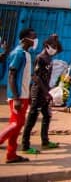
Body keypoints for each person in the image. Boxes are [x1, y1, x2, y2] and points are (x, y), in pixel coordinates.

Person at [21, 34, 63, 155]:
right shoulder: (41, 58)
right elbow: (36, 77)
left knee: (47, 115)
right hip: (38, 91)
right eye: (53, 46)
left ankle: (45, 141)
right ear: (46, 46)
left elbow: (60, 49)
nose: (55, 49)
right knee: (32, 119)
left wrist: (56, 39)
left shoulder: (49, 56)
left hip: (45, 91)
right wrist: (46, 93)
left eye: (55, 46)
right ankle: (25, 146)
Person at [0, 28, 37, 164]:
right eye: (34, 37)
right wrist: (16, 97)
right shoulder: (18, 53)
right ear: (25, 38)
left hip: (24, 95)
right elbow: (11, 75)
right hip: (18, 96)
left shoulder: (26, 54)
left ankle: (11, 154)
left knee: (17, 125)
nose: (35, 40)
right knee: (17, 123)